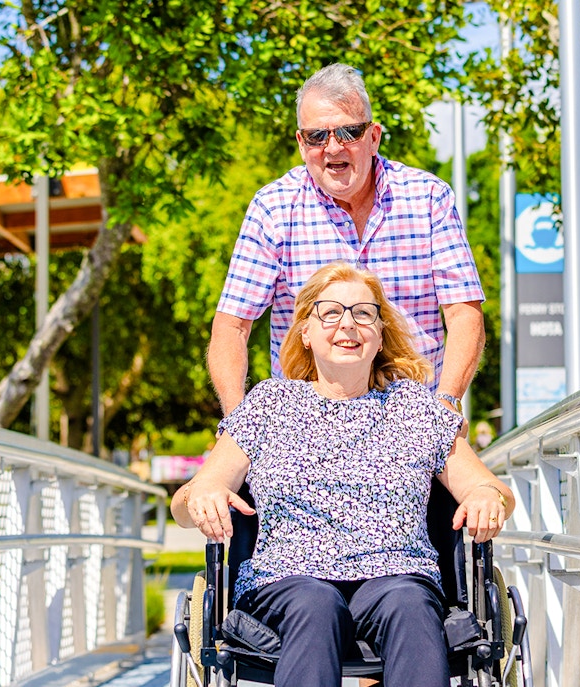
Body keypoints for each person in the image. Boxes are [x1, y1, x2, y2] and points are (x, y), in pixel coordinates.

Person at [174, 263, 514, 687]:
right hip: (288, 580)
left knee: (409, 603)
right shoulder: (270, 404)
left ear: (380, 334)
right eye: (330, 313)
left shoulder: (413, 408)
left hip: (395, 577)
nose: (347, 325)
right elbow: (187, 502)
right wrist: (202, 492)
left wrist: (487, 498)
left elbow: (492, 489)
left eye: (363, 313)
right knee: (317, 604)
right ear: (305, 332)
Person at [209, 62, 485, 418]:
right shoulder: (273, 208)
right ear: (300, 142)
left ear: (374, 137)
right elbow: (232, 325)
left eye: (348, 133)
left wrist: (446, 406)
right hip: (304, 430)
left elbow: (464, 314)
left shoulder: (428, 198)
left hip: (412, 427)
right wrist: (239, 424)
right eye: (317, 136)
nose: (332, 147)